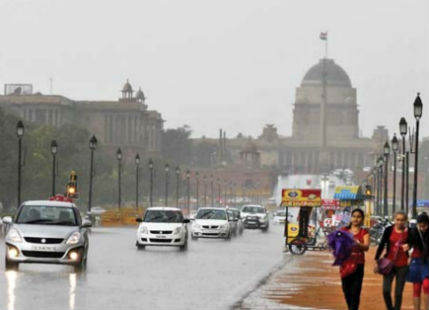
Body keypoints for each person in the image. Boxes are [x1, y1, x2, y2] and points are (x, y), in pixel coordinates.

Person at [374, 211, 409, 310]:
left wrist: (409, 246)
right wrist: (376, 260)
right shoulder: (388, 230)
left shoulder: (409, 231)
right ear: (394, 220)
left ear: (405, 221)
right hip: (388, 264)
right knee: (386, 290)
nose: (400, 222)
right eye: (397, 219)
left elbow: (414, 243)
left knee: (398, 293)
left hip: (403, 265)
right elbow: (382, 244)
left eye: (402, 220)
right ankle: (390, 308)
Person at [340, 208, 370, 310]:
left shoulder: (364, 232)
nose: (356, 219)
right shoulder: (344, 230)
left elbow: (366, 247)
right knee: (346, 290)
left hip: (358, 264)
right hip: (345, 264)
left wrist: (358, 244)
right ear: (351, 218)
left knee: (355, 291)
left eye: (358, 217)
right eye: (354, 216)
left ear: (362, 219)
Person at [405, 212, 429, 310]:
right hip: (416, 261)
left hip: (427, 261)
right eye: (420, 225)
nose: (423, 228)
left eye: (425, 225)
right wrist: (408, 252)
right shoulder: (413, 232)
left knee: (427, 285)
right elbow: (409, 244)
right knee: (416, 288)